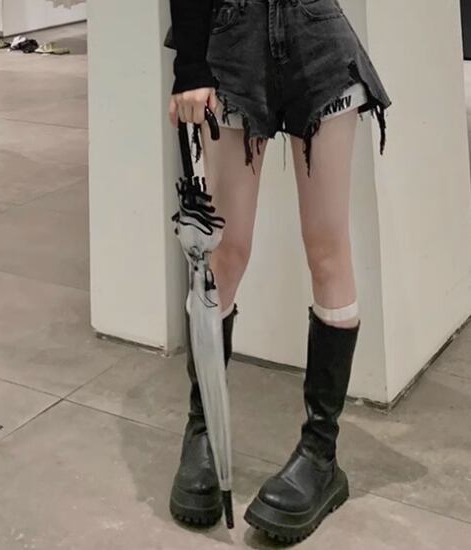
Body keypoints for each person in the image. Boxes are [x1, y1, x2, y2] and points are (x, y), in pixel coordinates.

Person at [166, 0, 391, 543]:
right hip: (232, 36)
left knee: (327, 248)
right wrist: (190, 66)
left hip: (317, 36)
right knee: (225, 253)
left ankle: (320, 453)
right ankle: (204, 429)